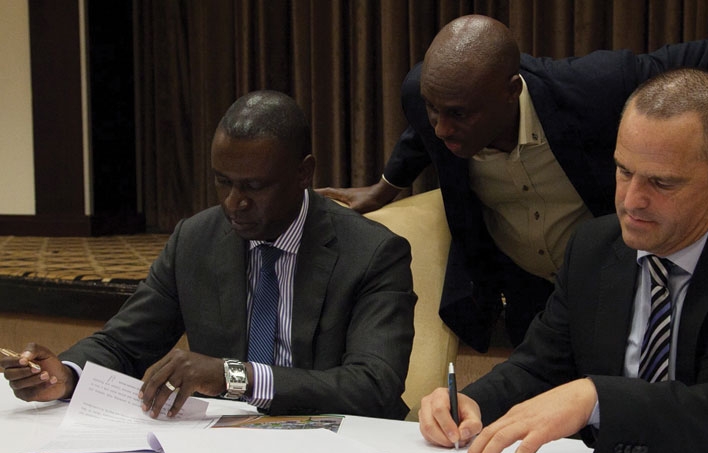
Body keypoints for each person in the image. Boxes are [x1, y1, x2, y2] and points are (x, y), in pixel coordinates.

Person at [418, 68, 708, 453]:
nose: (632, 201)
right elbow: (540, 364)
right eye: (624, 171)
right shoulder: (594, 246)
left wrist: (596, 398)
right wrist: (473, 402)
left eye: (662, 183)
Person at [318, 15, 708, 353]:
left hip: (614, 285)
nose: (441, 127)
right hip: (528, 295)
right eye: (434, 110)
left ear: (511, 89)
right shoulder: (431, 100)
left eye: (458, 113)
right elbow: (423, 129)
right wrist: (385, 187)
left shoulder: (591, 86)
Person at [2, 91, 416, 420]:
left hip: (336, 447)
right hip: (217, 447)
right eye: (223, 183)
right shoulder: (196, 239)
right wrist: (66, 376)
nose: (234, 203)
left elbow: (373, 386)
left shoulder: (373, 253)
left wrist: (235, 376)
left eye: (254, 187)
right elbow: (124, 344)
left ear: (304, 173)